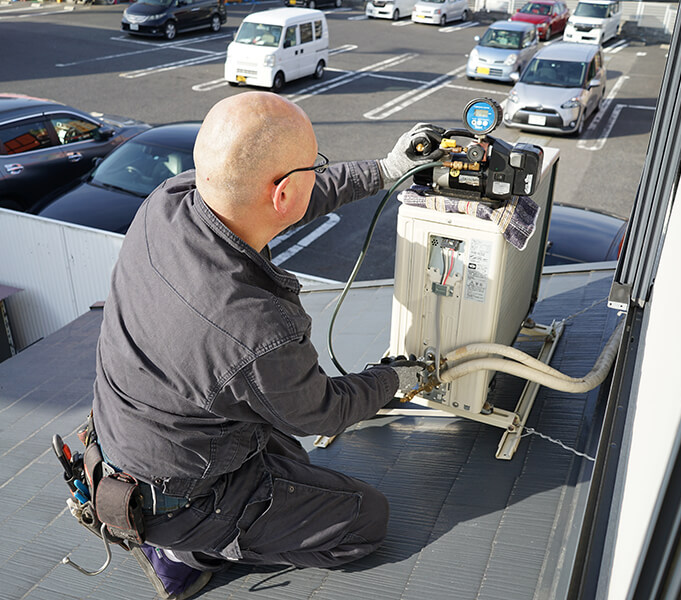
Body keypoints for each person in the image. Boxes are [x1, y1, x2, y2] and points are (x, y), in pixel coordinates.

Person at [91, 91, 441, 599]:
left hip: (128, 442)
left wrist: (386, 170)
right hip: (175, 498)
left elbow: (285, 198)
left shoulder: (169, 201)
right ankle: (189, 550)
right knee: (365, 519)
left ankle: (196, 526)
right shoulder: (255, 328)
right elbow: (323, 412)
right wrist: (395, 378)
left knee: (294, 461)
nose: (318, 176)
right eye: (314, 168)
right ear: (282, 192)